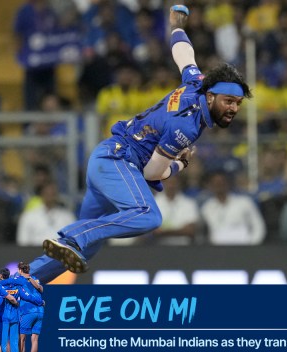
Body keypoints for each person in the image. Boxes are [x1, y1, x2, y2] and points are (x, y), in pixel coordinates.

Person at [32, 5, 252, 282]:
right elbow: (151, 173)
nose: (233, 109)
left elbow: (184, 53)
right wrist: (179, 165)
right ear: (211, 97)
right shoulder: (185, 127)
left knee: (84, 249)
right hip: (118, 164)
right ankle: (76, 235)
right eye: (228, 101)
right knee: (148, 216)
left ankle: (25, 280)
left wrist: (177, 25)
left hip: (108, 163)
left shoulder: (197, 83)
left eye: (238, 104)